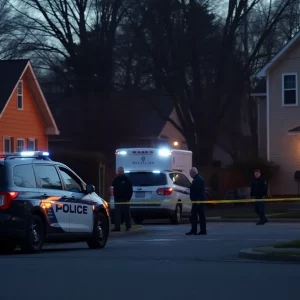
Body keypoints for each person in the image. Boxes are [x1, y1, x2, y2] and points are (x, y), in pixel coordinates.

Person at [186, 167, 207, 235]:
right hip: (196, 201)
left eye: (190, 173)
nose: (190, 175)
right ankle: (194, 230)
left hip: (198, 201)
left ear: (193, 172)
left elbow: (200, 191)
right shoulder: (196, 179)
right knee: (194, 216)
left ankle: (202, 230)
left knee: (200, 216)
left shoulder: (198, 180)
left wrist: (198, 200)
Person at [111, 167, 133, 231]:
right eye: (118, 171)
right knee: (117, 214)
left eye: (120, 171)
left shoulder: (127, 180)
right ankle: (117, 227)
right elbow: (112, 188)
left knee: (126, 214)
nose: (119, 173)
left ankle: (128, 226)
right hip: (117, 199)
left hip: (125, 199)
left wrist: (128, 198)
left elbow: (130, 190)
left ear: (123, 171)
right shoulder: (115, 180)